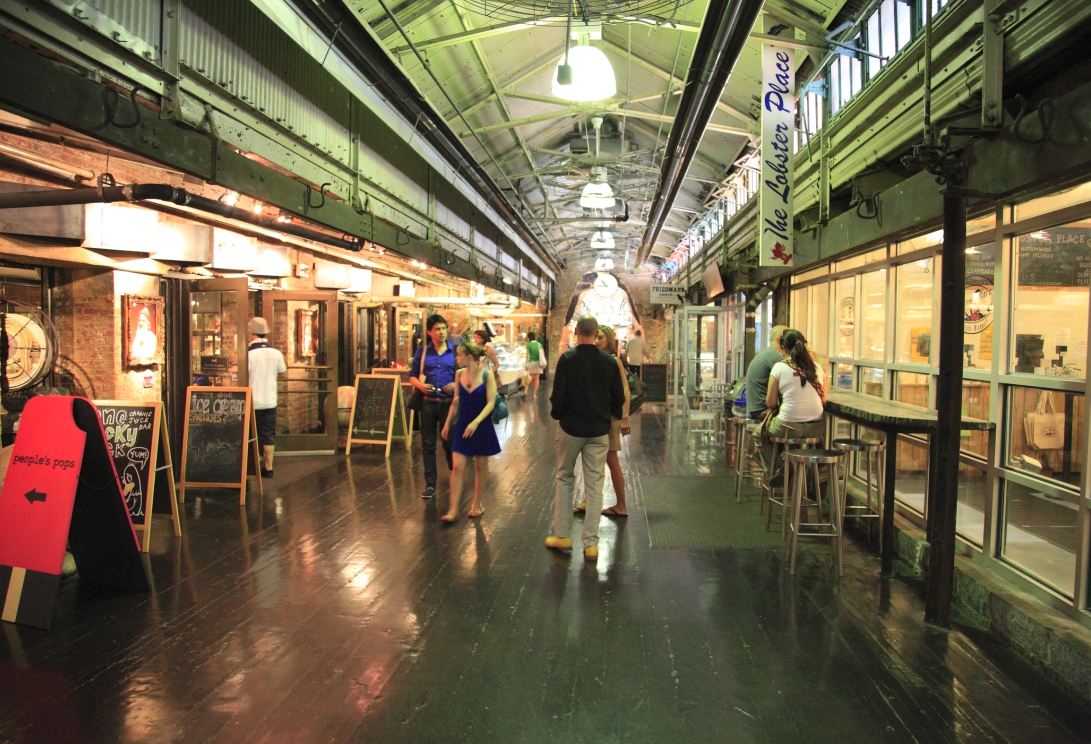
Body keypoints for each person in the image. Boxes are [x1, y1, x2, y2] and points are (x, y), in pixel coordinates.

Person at [547, 315, 626, 562]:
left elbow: (558, 396)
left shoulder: (567, 360)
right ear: (594, 334)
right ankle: (591, 545)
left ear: (576, 333)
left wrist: (558, 415)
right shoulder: (608, 361)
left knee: (564, 477)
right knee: (594, 485)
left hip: (571, 429)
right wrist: (607, 415)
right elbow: (619, 397)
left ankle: (562, 535)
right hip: (599, 431)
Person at [440, 341, 501, 521]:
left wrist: (476, 422)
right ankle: (452, 510)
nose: (456, 358)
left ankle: (477, 503)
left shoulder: (487, 375)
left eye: (458, 355)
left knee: (480, 465)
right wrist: (446, 423)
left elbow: (490, 402)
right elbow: (456, 400)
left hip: (481, 425)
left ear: (468, 357)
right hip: (462, 424)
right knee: (457, 467)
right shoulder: (459, 374)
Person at [757, 329, 828, 480]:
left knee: (758, 434)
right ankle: (801, 473)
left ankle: (779, 471)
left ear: (784, 348)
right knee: (795, 440)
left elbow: (770, 402)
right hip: (815, 429)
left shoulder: (780, 367)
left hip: (787, 427)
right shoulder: (817, 367)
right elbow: (823, 399)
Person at [410, 315, 457, 499]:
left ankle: (455, 475)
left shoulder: (455, 351)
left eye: (444, 328)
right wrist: (420, 386)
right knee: (428, 444)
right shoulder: (422, 352)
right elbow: (412, 375)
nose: (441, 332)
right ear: (429, 332)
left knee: (449, 442)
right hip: (427, 403)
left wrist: (456, 384)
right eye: (437, 329)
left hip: (448, 404)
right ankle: (430, 484)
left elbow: (466, 374)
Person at [591, 325, 631, 517]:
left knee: (611, 459)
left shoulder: (614, 361)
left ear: (609, 340)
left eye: (601, 338)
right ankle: (587, 500)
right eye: (596, 337)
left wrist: (625, 418)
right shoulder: (595, 359)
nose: (598, 341)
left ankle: (621, 505)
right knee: (595, 459)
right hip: (598, 416)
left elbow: (624, 389)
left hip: (611, 418)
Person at [247, 317, 287, 478]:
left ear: (251, 334)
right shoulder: (276, 353)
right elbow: (282, 371)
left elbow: (240, 375)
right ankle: (268, 467)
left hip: (252, 401)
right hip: (270, 400)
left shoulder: (249, 354)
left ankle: (254, 466)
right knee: (268, 434)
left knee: (252, 435)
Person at [745, 325, 788, 420]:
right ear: (778, 340)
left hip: (755, 408)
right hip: (763, 410)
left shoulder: (767, 353)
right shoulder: (775, 357)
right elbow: (791, 377)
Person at [524, 331, 546, 400]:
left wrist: (526, 364)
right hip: (538, 363)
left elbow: (527, 355)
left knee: (528, 377)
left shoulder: (528, 345)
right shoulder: (539, 345)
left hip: (531, 363)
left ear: (529, 338)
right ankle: (534, 394)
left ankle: (525, 391)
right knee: (536, 379)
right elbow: (543, 353)